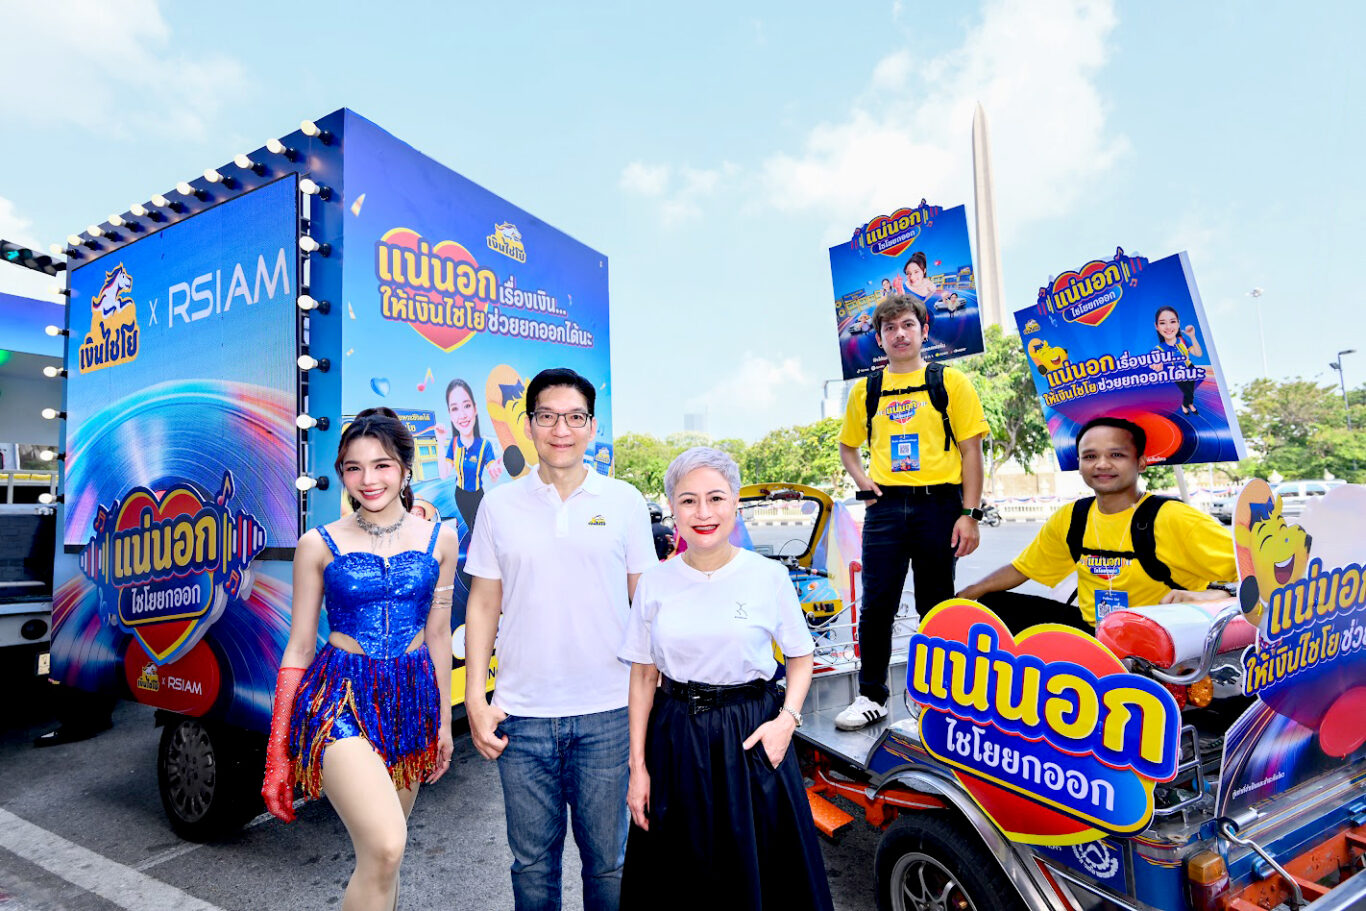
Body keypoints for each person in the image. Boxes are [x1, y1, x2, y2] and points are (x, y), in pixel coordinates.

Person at [463, 367, 656, 911]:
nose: (561, 429)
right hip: (522, 717)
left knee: (609, 865)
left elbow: (647, 606)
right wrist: (475, 698)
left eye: (574, 417)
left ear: (592, 426)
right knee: (531, 867)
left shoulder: (624, 501)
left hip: (608, 715)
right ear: (528, 425)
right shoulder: (499, 505)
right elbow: (483, 604)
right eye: (547, 417)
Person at [616, 447, 831, 909]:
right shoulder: (655, 582)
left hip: (751, 736)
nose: (703, 512)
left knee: (761, 874)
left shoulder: (768, 576)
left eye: (715, 498)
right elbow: (642, 676)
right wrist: (638, 768)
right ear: (672, 508)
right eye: (688, 500)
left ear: (735, 503)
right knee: (681, 878)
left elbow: (801, 656)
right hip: (676, 738)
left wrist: (787, 722)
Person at [262, 407, 457, 911]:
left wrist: (443, 723)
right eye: (354, 467)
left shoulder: (441, 538)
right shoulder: (316, 544)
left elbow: (438, 634)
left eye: (382, 465)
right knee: (388, 845)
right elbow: (299, 647)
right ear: (342, 473)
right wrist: (277, 753)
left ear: (405, 468)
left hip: (412, 700)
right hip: (338, 698)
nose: (368, 480)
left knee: (383, 858)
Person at [835, 293, 989, 730]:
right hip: (884, 509)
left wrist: (970, 513)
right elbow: (848, 447)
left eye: (907, 325)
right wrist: (863, 481)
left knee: (936, 606)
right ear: (879, 339)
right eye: (889, 328)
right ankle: (872, 696)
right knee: (876, 605)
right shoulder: (867, 390)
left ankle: (941, 701)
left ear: (924, 330)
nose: (899, 334)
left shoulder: (950, 382)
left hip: (939, 505)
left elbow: (972, 452)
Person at [957, 416, 1236, 634]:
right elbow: (1023, 568)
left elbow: (1256, 572)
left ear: (1141, 463)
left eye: (1116, 455)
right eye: (1090, 456)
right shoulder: (1072, 517)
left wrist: (1215, 594)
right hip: (1093, 635)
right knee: (991, 606)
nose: (1102, 464)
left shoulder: (1175, 518)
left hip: (1158, 642)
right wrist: (970, 593)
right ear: (1079, 464)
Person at [435, 378, 504, 529]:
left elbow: (492, 469)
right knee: (474, 530)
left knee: (483, 529)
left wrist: (495, 471)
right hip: (460, 496)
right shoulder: (454, 444)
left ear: (475, 408)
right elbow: (443, 475)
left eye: (466, 406)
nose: (462, 415)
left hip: (478, 495)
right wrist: (440, 442)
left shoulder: (485, 445)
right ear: (450, 414)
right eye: (455, 408)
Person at [1150, 306, 1206, 414]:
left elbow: (1198, 354)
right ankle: (1185, 405)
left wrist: (1192, 336)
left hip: (1189, 368)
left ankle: (1189, 404)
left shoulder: (1183, 341)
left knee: (1191, 390)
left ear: (1178, 323)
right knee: (1187, 391)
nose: (1168, 327)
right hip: (1176, 373)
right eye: (1162, 323)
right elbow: (1154, 363)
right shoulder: (1158, 349)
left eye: (1172, 321)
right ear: (1156, 326)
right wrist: (1156, 366)